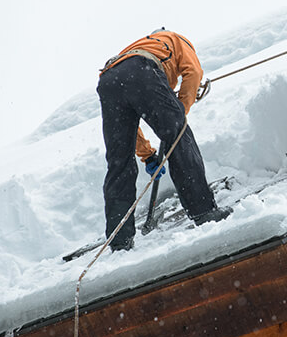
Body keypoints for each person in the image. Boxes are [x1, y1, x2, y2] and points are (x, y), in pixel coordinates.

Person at [97, 28, 232, 251]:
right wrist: (179, 112)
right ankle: (204, 211)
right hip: (142, 70)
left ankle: (119, 241)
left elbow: (130, 127)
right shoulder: (177, 39)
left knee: (119, 162)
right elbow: (194, 73)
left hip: (109, 80)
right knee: (179, 137)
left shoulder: (136, 48)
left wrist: (148, 155)